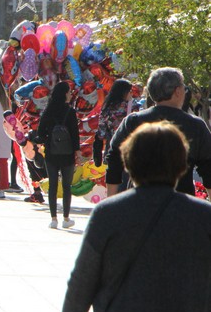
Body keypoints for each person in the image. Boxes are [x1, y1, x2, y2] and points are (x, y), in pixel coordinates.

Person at [55, 122, 211, 312]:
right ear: (181, 164)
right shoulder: (204, 217)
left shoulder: (108, 214)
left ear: (129, 162)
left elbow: (82, 282)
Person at [106, 67, 211, 197]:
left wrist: (111, 198)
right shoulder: (195, 125)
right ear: (177, 91)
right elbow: (208, 168)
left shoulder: (134, 121)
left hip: (137, 202)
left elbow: (114, 158)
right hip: (181, 204)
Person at [36, 81, 80, 229]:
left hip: (51, 152)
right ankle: (66, 218)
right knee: (67, 185)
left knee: (53, 185)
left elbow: (40, 133)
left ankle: (53, 218)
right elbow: (75, 134)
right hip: (67, 153)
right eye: (69, 92)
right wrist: (77, 151)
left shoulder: (48, 111)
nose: (70, 94)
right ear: (64, 94)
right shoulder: (71, 112)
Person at [93, 78, 133, 168]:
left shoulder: (107, 107)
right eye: (130, 91)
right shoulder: (133, 106)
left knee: (114, 176)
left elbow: (101, 131)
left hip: (112, 145)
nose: (131, 93)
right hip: (130, 146)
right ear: (124, 92)